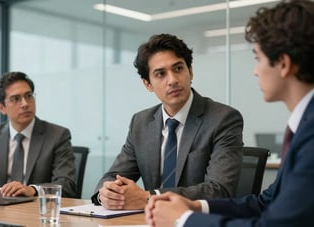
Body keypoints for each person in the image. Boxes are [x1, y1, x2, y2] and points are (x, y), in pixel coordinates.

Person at [145, 1, 314, 226]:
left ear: (283, 64)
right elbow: (267, 202)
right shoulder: (304, 125)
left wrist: (183, 220)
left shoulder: (310, 133)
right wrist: (196, 206)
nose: (255, 71)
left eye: (257, 58)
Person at [91, 33, 244, 210]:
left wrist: (149, 198)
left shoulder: (223, 119)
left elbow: (219, 190)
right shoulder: (140, 123)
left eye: (178, 69)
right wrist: (107, 195)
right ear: (148, 84)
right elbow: (113, 177)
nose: (172, 80)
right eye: (160, 74)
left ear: (190, 71)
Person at [0, 71, 76, 198]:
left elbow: (66, 184)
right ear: (1, 108)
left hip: (36, 212)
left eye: (29, 96)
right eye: (16, 99)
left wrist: (33, 190)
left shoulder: (57, 135)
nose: (25, 104)